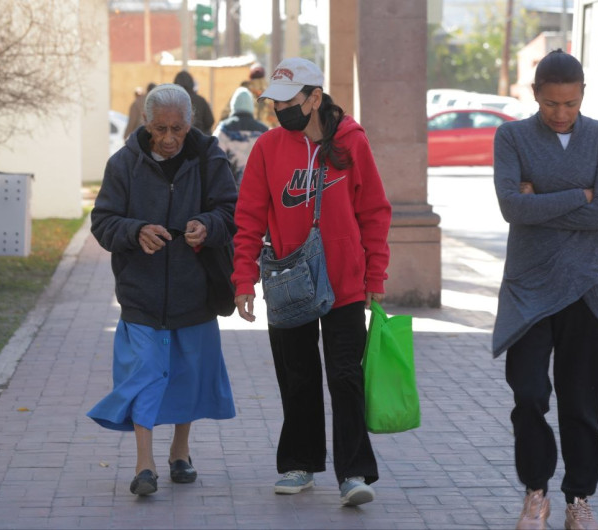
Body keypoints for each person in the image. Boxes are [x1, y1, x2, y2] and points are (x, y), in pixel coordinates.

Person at [231, 57, 392, 506]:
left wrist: (376, 272)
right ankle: (299, 463)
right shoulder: (267, 148)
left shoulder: (352, 143)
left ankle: (354, 473)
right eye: (273, 101)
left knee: (345, 376)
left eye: (287, 101)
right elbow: (247, 219)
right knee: (297, 376)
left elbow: (375, 212)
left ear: (314, 98)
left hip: (344, 283)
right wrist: (243, 279)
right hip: (287, 282)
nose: (278, 109)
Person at [492, 49, 598, 530]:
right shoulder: (511, 136)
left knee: (581, 401)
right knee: (529, 393)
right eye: (552, 103)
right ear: (535, 95)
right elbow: (513, 208)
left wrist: (544, 199)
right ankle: (536, 493)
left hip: (588, 288)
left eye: (571, 104)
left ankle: (579, 500)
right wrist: (581, 195)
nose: (561, 113)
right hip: (529, 289)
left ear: (582, 97)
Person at [87, 83, 238, 496]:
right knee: (146, 373)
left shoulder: (210, 158)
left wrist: (208, 225)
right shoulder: (124, 164)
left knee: (188, 372)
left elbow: (231, 212)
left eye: (177, 129)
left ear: (191, 124)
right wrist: (136, 232)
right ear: (145, 124)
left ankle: (180, 452)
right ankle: (144, 464)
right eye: (160, 129)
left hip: (196, 290)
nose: (169, 139)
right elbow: (102, 222)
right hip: (141, 292)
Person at [212, 87, 269, 189]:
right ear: (251, 106)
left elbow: (213, 159)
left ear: (233, 105)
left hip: (229, 189)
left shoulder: (223, 129)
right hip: (257, 189)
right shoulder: (264, 131)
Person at [174, 70, 215, 134]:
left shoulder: (173, 101)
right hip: (199, 138)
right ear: (192, 83)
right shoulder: (201, 100)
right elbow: (210, 121)